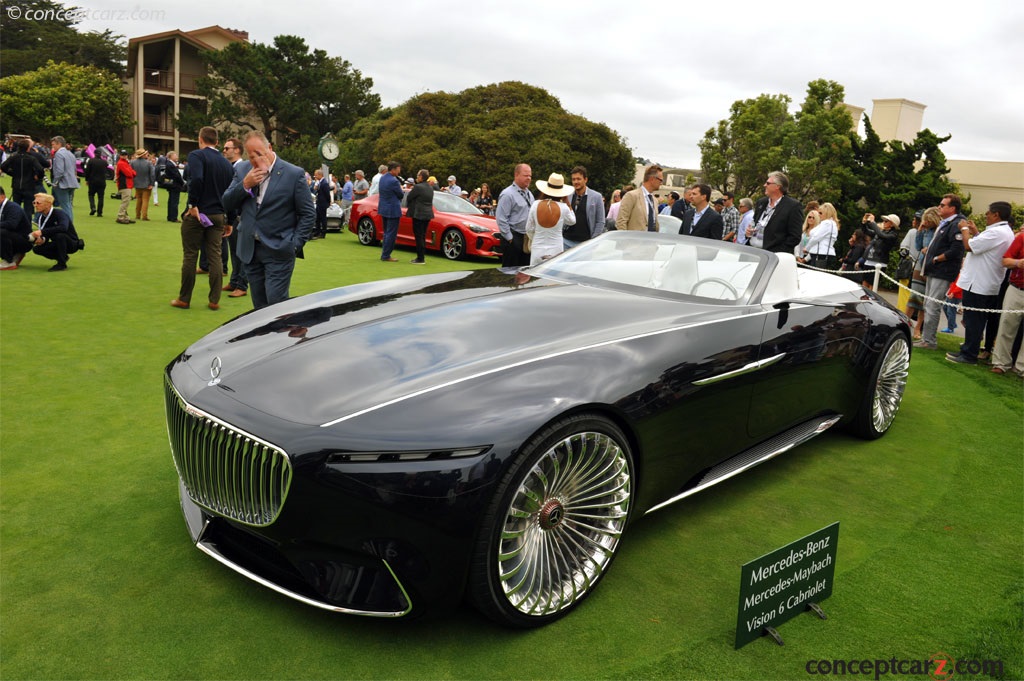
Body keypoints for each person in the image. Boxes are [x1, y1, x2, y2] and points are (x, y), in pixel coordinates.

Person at [223, 130, 314, 309]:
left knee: (276, 304)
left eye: (260, 154)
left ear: (269, 148)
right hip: (249, 249)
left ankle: (281, 336)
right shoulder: (242, 170)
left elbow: (308, 213)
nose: (256, 160)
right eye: (251, 156)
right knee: (259, 307)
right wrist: (245, 185)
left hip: (279, 249)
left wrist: (295, 244)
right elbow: (226, 202)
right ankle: (265, 337)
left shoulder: (293, 174)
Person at [170, 127, 233, 310]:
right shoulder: (227, 164)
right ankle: (214, 300)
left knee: (190, 255)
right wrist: (230, 219)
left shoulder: (197, 155)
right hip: (219, 214)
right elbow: (230, 192)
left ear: (200, 139)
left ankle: (184, 298)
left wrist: (192, 204)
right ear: (217, 142)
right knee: (215, 256)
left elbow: (196, 179)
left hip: (199, 213)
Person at [945, 202, 1016, 365]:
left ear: (996, 215)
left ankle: (969, 354)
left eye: (988, 213)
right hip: (984, 282)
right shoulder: (1003, 231)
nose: (986, 215)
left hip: (979, 283)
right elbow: (983, 246)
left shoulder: (997, 232)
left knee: (974, 321)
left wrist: (964, 229)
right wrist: (976, 232)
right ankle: (968, 350)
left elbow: (969, 246)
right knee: (974, 320)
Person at [915, 194, 967, 350]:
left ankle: (929, 341)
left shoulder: (957, 224)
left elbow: (957, 250)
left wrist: (937, 259)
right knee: (928, 304)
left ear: (952, 208)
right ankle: (926, 338)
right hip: (934, 270)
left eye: (942, 205)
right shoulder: (946, 223)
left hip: (942, 271)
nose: (939, 207)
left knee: (932, 306)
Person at [991, 226, 1024, 376]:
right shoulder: (1021, 238)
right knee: (1006, 324)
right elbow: (1005, 260)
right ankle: (1001, 363)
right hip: (1017, 288)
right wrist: (1018, 263)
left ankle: (1021, 367)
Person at [526, 173, 576, 266]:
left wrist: (536, 238)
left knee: (534, 276)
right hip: (556, 249)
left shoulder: (535, 204)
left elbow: (529, 229)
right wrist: (568, 204)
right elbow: (572, 221)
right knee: (552, 277)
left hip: (537, 248)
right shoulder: (564, 207)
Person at [220, 139, 248, 298]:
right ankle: (234, 280)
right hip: (231, 215)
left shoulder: (244, 169)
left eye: (227, 148)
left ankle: (242, 285)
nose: (224, 150)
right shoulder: (230, 168)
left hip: (241, 215)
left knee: (242, 252)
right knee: (234, 250)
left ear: (237, 150)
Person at [748, 171, 803, 253]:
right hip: (752, 251)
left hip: (773, 256)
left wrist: (777, 253)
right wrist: (749, 232)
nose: (764, 185)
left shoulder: (793, 206)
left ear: (777, 186)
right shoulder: (761, 202)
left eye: (768, 183)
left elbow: (795, 237)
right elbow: (754, 224)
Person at [28, 193, 84, 271]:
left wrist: (42, 232)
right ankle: (63, 257)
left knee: (60, 235)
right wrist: (42, 240)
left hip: (71, 244)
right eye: (34, 203)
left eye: (38, 203)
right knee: (37, 249)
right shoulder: (41, 217)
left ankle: (61, 264)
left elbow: (63, 227)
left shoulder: (59, 213)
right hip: (58, 243)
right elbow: (46, 235)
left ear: (48, 204)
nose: (35, 205)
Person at [496, 163, 534, 268]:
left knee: (525, 272)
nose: (529, 178)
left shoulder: (529, 194)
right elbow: (501, 219)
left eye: (530, 176)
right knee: (510, 273)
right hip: (513, 238)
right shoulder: (507, 194)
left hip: (526, 238)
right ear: (516, 175)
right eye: (526, 175)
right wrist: (510, 238)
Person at [564, 165, 605, 248]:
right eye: (573, 179)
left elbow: (600, 221)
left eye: (578, 179)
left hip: (586, 244)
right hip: (566, 242)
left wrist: (593, 241)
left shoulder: (596, 197)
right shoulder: (567, 196)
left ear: (585, 179)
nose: (576, 182)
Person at [1, 140, 45, 215]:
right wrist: (37, 176)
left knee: (16, 207)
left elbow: (3, 166)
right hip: (29, 186)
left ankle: (16, 225)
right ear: (28, 148)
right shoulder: (31, 159)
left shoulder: (13, 157)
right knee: (28, 209)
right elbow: (41, 169)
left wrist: (12, 173)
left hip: (16, 185)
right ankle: (27, 225)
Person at [859, 213, 901, 289]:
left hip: (879, 262)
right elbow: (866, 231)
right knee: (864, 284)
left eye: (886, 221)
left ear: (892, 224)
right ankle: (864, 300)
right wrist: (864, 223)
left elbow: (882, 236)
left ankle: (871, 300)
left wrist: (872, 222)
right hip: (869, 260)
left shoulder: (893, 235)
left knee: (872, 286)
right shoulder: (881, 232)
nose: (883, 222)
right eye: (884, 221)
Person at [616, 165, 664, 232]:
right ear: (652, 179)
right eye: (661, 180)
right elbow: (621, 222)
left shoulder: (655, 201)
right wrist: (626, 241)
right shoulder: (631, 196)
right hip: (633, 241)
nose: (661, 183)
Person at [0, 186, 33, 270]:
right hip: (12, 237)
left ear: (2, 197)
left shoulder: (13, 207)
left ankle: (9, 261)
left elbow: (12, 224)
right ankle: (15, 254)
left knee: (1, 232)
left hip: (24, 241)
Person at [377, 161, 404, 262]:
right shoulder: (394, 181)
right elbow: (401, 195)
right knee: (391, 234)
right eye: (398, 170)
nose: (398, 172)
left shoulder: (382, 178)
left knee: (386, 233)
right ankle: (386, 255)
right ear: (393, 170)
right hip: (393, 209)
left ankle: (384, 253)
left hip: (383, 208)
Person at [405, 169, 434, 264]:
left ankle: (420, 258)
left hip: (418, 214)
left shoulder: (418, 187)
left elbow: (409, 197)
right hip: (428, 214)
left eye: (418, 175)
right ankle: (421, 256)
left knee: (418, 236)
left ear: (421, 177)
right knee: (423, 236)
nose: (417, 177)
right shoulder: (430, 187)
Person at [49, 136, 80, 219]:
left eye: (53, 144)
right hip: (72, 182)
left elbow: (60, 171)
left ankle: (68, 226)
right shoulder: (70, 153)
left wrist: (55, 182)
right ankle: (69, 225)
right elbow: (74, 169)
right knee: (68, 205)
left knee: (65, 206)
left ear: (59, 144)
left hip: (63, 183)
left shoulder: (59, 154)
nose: (52, 147)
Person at [802, 203, 839, 269]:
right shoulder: (829, 223)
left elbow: (816, 237)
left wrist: (807, 248)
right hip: (821, 254)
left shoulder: (827, 223)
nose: (818, 215)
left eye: (820, 213)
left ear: (827, 213)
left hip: (821, 255)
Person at [129, 149, 155, 221]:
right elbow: (152, 174)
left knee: (138, 200)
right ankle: (144, 216)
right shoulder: (148, 163)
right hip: (146, 184)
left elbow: (130, 172)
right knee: (145, 200)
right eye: (146, 154)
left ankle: (137, 215)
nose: (147, 155)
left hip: (136, 184)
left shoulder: (132, 162)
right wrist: (151, 184)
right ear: (143, 155)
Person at [162, 151, 186, 222]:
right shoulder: (170, 165)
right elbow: (176, 175)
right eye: (175, 155)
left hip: (172, 185)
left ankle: (170, 216)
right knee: (174, 202)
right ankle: (173, 217)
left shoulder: (171, 164)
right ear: (170, 156)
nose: (177, 157)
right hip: (175, 185)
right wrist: (182, 182)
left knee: (171, 201)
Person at [114, 150, 136, 224]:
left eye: (125, 155)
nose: (125, 156)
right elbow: (129, 173)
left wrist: (132, 172)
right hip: (124, 184)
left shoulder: (125, 162)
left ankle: (124, 216)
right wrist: (132, 172)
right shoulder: (121, 163)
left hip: (126, 184)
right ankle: (120, 216)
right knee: (125, 201)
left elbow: (132, 172)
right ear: (120, 155)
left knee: (126, 201)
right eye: (123, 155)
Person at [84, 151, 108, 217]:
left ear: (94, 154)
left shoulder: (91, 161)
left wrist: (87, 179)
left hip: (92, 181)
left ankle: (93, 207)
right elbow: (106, 170)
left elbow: (87, 171)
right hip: (102, 182)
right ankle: (99, 212)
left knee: (91, 195)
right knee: (101, 197)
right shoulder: (104, 162)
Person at [311, 169, 331, 240]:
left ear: (320, 175)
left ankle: (323, 233)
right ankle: (317, 231)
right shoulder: (320, 182)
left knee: (323, 218)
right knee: (318, 218)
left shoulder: (324, 183)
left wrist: (328, 202)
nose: (315, 176)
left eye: (316, 175)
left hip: (323, 203)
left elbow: (327, 194)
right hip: (319, 202)